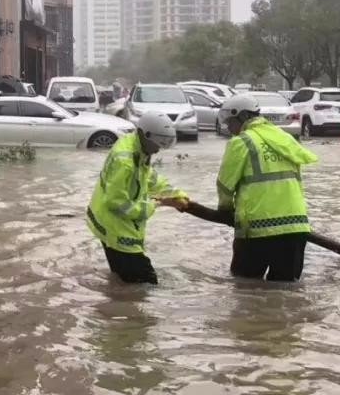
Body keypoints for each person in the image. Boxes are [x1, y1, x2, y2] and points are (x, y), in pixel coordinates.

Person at [173, 94, 317, 282]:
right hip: (296, 228)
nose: (228, 128)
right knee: (285, 290)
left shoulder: (241, 142)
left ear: (241, 117)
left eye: (230, 123)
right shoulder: (284, 138)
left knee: (244, 288)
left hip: (257, 230)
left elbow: (225, 185)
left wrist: (225, 210)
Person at [86, 110, 189, 285]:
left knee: (124, 283)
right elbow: (117, 203)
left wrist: (177, 194)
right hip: (115, 227)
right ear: (144, 134)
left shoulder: (137, 149)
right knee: (146, 284)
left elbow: (150, 178)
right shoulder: (125, 161)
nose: (157, 150)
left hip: (113, 224)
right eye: (156, 145)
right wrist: (156, 204)